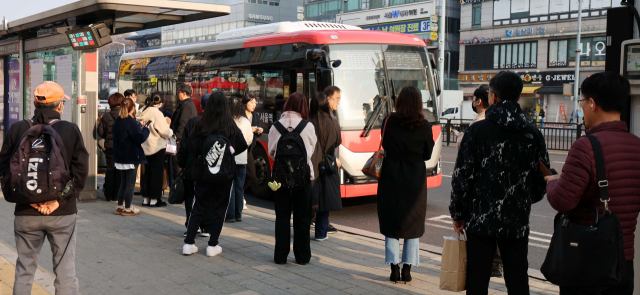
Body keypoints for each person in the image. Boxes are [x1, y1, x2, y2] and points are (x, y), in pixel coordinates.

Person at [450, 71, 549, 294]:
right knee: (517, 279)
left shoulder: (477, 131)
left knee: (477, 279)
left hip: (480, 219)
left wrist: (458, 214)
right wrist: (522, 199)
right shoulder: (532, 134)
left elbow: (461, 177)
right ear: (518, 97)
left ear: (493, 97)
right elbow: (543, 178)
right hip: (517, 219)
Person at [545, 72, 640, 295]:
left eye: (582, 102)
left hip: (587, 262)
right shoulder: (637, 145)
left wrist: (552, 182)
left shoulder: (585, 146)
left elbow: (562, 200)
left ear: (592, 103)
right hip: (623, 262)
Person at [0, 81, 88, 294]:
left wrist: (26, 198)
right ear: (60, 106)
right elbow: (80, 172)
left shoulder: (18, 128)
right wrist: (58, 199)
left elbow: (4, 168)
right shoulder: (70, 129)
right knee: (65, 270)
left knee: (24, 269)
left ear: (34, 103)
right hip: (62, 212)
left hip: (25, 212)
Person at [376, 86, 434, 283]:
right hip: (414, 179)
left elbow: (384, 145)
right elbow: (427, 154)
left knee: (391, 222)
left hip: (391, 176)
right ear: (418, 103)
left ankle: (393, 268)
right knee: (413, 223)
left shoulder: (388, 121)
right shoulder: (424, 125)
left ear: (399, 101)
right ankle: (408, 269)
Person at [182, 92, 248, 257]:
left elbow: (190, 145)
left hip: (204, 173)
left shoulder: (201, 124)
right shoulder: (229, 125)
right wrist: (230, 152)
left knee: (199, 206)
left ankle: (189, 243)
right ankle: (213, 245)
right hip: (225, 173)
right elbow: (243, 144)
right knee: (220, 208)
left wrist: (204, 156)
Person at [268, 92, 317, 265]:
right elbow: (310, 152)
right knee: (302, 218)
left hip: (280, 179)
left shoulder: (276, 126)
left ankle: (280, 256)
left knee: (282, 217)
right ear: (304, 107)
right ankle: (302, 256)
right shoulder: (308, 126)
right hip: (303, 178)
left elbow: (271, 152)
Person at [310, 89, 342, 241]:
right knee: (325, 198)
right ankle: (321, 233)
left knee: (309, 196)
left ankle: (303, 229)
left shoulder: (308, 123)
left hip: (311, 164)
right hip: (328, 164)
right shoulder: (333, 122)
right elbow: (337, 142)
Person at [178, 94, 213, 237]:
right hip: (210, 166)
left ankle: (192, 225)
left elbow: (184, 145)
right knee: (208, 195)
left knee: (190, 196)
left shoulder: (192, 122)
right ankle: (207, 226)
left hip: (192, 165)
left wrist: (181, 163)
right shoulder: (216, 123)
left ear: (201, 106)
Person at [113, 97, 150, 216]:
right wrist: (146, 130)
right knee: (130, 184)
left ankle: (120, 206)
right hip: (131, 156)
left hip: (120, 156)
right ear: (133, 108)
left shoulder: (118, 120)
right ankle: (128, 208)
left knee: (123, 183)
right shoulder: (130, 121)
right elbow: (139, 138)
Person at [136, 92, 173, 207]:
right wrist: (169, 128)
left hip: (144, 146)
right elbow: (165, 132)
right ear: (160, 103)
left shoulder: (142, 111)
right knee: (156, 174)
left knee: (145, 173)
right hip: (156, 147)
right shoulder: (157, 113)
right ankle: (154, 199)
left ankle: (145, 198)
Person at [226, 96, 253, 223]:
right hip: (242, 158)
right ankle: (238, 214)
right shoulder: (246, 121)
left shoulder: (226, 121)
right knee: (239, 187)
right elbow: (249, 140)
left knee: (229, 186)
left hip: (228, 159)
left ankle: (230, 215)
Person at [98, 92, 124, 201]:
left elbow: (100, 132)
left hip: (109, 147)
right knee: (119, 171)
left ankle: (108, 195)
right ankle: (117, 195)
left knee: (110, 170)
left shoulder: (106, 116)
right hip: (122, 148)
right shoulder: (124, 115)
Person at [170, 84, 197, 182]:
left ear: (184, 93)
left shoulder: (186, 106)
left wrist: (178, 140)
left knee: (176, 166)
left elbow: (183, 124)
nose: (178, 95)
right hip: (183, 140)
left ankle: (178, 187)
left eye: (179, 92)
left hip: (181, 141)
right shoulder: (188, 104)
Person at [242, 94, 262, 191]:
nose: (254, 105)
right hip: (240, 148)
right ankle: (238, 195)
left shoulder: (255, 116)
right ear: (245, 103)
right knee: (239, 173)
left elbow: (257, 134)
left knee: (251, 175)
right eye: (251, 102)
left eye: (255, 103)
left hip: (249, 148)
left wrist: (258, 131)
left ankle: (240, 192)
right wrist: (249, 129)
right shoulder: (240, 115)